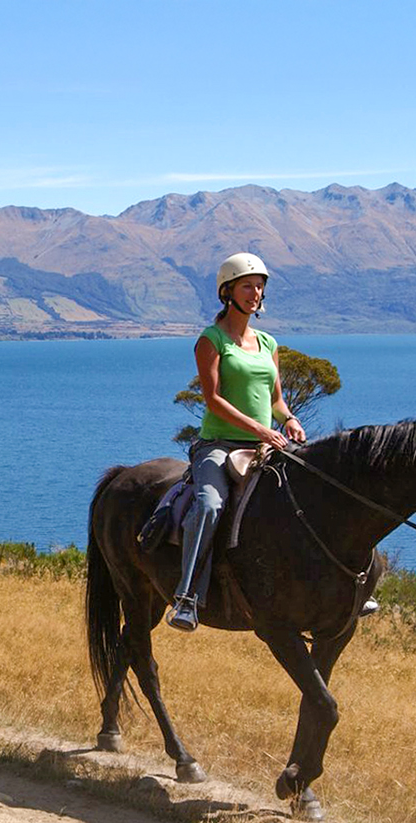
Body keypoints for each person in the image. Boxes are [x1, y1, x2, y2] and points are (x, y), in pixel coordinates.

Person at [169, 252, 307, 632]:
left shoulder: (267, 343)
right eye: (247, 285)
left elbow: (276, 400)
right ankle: (186, 597)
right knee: (210, 505)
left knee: (316, 490)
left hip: (266, 446)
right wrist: (261, 429)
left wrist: (289, 419)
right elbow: (213, 399)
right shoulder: (210, 340)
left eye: (260, 286)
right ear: (227, 291)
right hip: (219, 446)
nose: (256, 292)